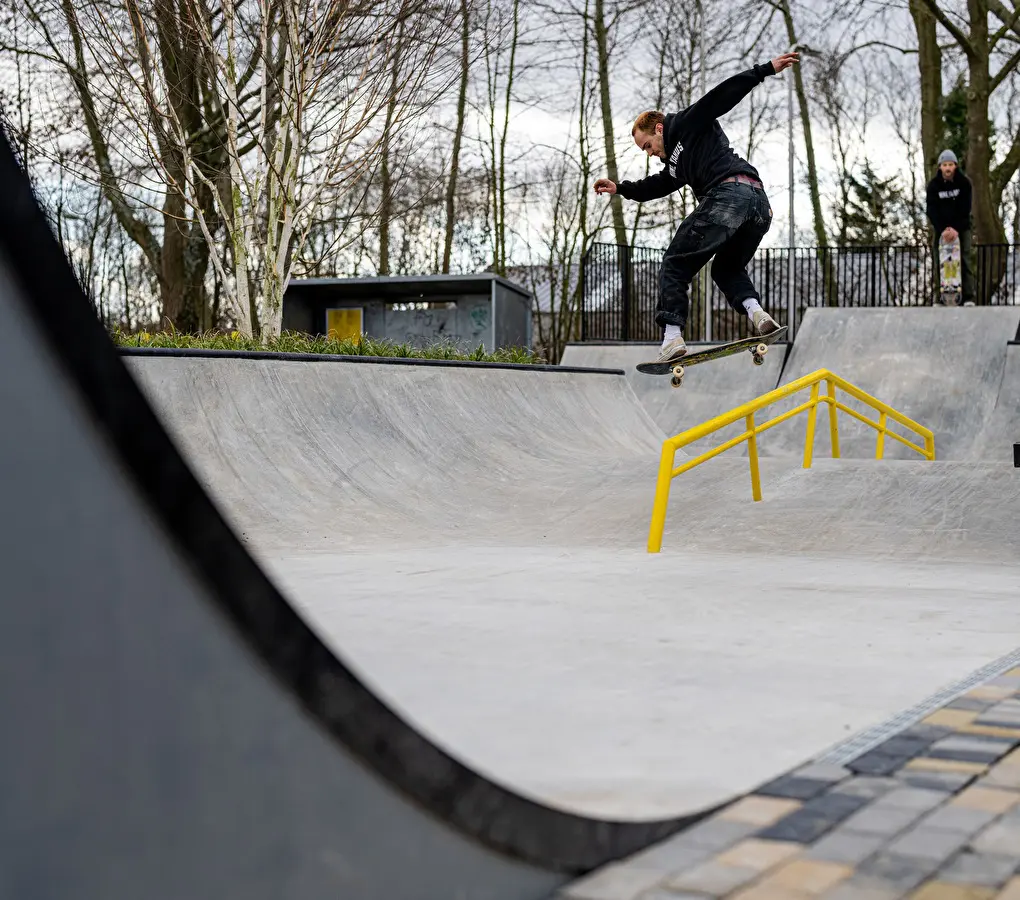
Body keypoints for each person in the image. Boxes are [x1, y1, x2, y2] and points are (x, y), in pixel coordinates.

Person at [594, 52, 798, 363]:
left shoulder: (686, 123)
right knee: (726, 269)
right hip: (758, 203)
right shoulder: (676, 164)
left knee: (676, 262)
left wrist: (764, 70)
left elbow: (720, 97)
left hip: (729, 193)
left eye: (647, 145)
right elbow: (657, 185)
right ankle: (758, 315)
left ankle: (672, 337)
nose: (649, 153)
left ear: (659, 128)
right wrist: (620, 188)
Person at [925, 150, 974, 305]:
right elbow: (931, 210)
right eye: (945, 165)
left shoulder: (964, 183)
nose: (947, 168)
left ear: (955, 166)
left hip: (961, 228)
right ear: (940, 167)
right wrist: (943, 229)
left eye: (950, 165)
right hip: (941, 230)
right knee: (939, 260)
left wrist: (955, 229)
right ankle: (940, 297)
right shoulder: (933, 186)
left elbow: (965, 209)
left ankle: (968, 296)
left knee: (965, 259)